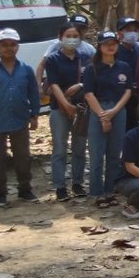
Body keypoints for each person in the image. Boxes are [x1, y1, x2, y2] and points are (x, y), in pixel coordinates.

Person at [0, 28, 40, 206]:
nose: (9, 48)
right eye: (4, 45)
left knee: (23, 157)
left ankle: (25, 190)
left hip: (20, 121)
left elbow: (33, 93)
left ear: (17, 47)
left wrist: (34, 115)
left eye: (12, 45)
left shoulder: (26, 69)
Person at [82, 31, 133, 207]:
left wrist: (115, 111)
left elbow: (128, 90)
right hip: (98, 109)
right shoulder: (92, 68)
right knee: (97, 154)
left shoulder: (124, 66)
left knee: (114, 154)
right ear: (99, 47)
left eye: (113, 43)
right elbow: (88, 94)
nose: (110, 46)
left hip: (119, 110)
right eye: (106, 44)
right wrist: (103, 116)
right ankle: (96, 193)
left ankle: (110, 190)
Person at [45, 21, 89, 200]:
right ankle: (60, 186)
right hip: (59, 109)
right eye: (68, 36)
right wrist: (66, 106)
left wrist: (80, 85)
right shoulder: (53, 59)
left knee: (79, 148)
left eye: (75, 36)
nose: (71, 39)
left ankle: (77, 183)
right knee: (59, 149)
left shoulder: (84, 57)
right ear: (60, 37)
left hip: (81, 110)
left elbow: (90, 80)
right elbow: (53, 85)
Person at [115, 16, 139, 122]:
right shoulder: (113, 51)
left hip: (138, 98)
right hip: (119, 98)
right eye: (128, 30)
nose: (132, 33)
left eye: (135, 30)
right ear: (119, 33)